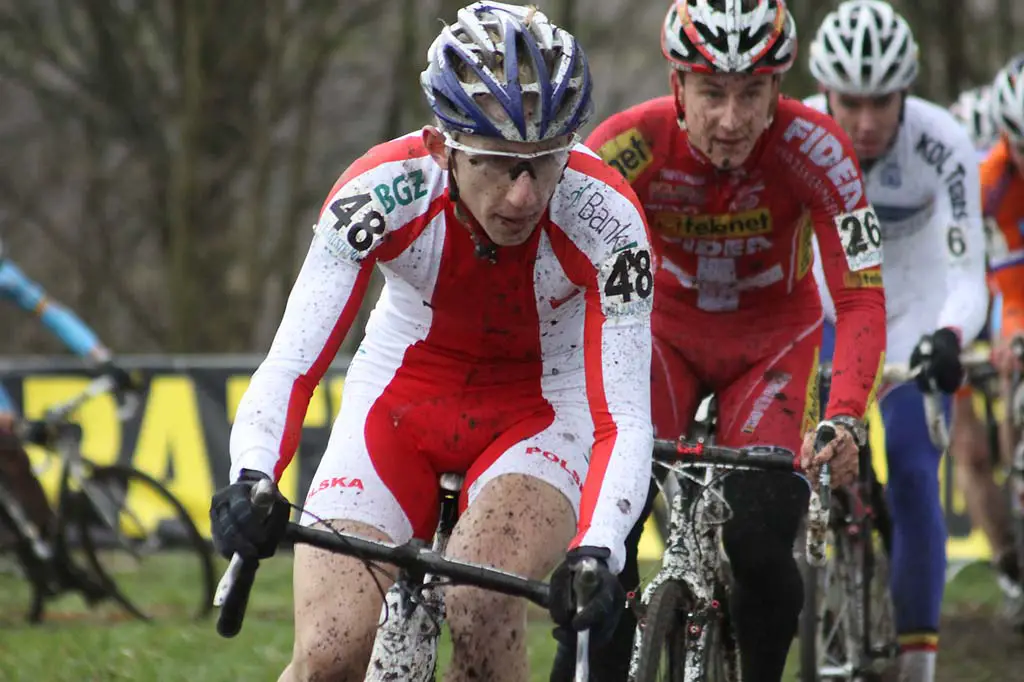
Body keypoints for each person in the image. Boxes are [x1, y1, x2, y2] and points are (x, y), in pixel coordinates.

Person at [207, 4, 654, 681]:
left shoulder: (607, 217)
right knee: (327, 654)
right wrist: (251, 476)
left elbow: (622, 414)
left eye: (545, 162)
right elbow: (294, 364)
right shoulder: (381, 190)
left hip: (542, 414)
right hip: (401, 401)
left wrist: (598, 549)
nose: (524, 194)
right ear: (443, 147)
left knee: (478, 601)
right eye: (500, 164)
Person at [567, 1, 887, 681]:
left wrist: (847, 414)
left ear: (782, 87)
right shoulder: (629, 143)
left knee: (759, 545)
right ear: (676, 83)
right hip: (662, 339)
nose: (733, 120)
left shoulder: (818, 147)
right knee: (605, 545)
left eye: (753, 94)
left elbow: (859, 293)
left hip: (771, 347)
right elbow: (561, 269)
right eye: (712, 92)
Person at [804, 1, 989, 679]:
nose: (865, 121)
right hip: (823, 318)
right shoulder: (797, 133)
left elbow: (969, 274)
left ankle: (917, 663)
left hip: (911, 319)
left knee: (913, 473)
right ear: (825, 90)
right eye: (849, 101)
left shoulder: (942, 140)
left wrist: (948, 334)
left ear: (905, 91)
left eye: (882, 101)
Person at [0, 238, 133, 536]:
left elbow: (52, 314)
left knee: (15, 453)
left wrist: (100, 355)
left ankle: (45, 540)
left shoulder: (5, 274)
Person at [969, 52, 1024, 628]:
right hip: (1007, 287)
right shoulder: (992, 181)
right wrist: (1011, 333)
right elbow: (1003, 276)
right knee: (1011, 371)